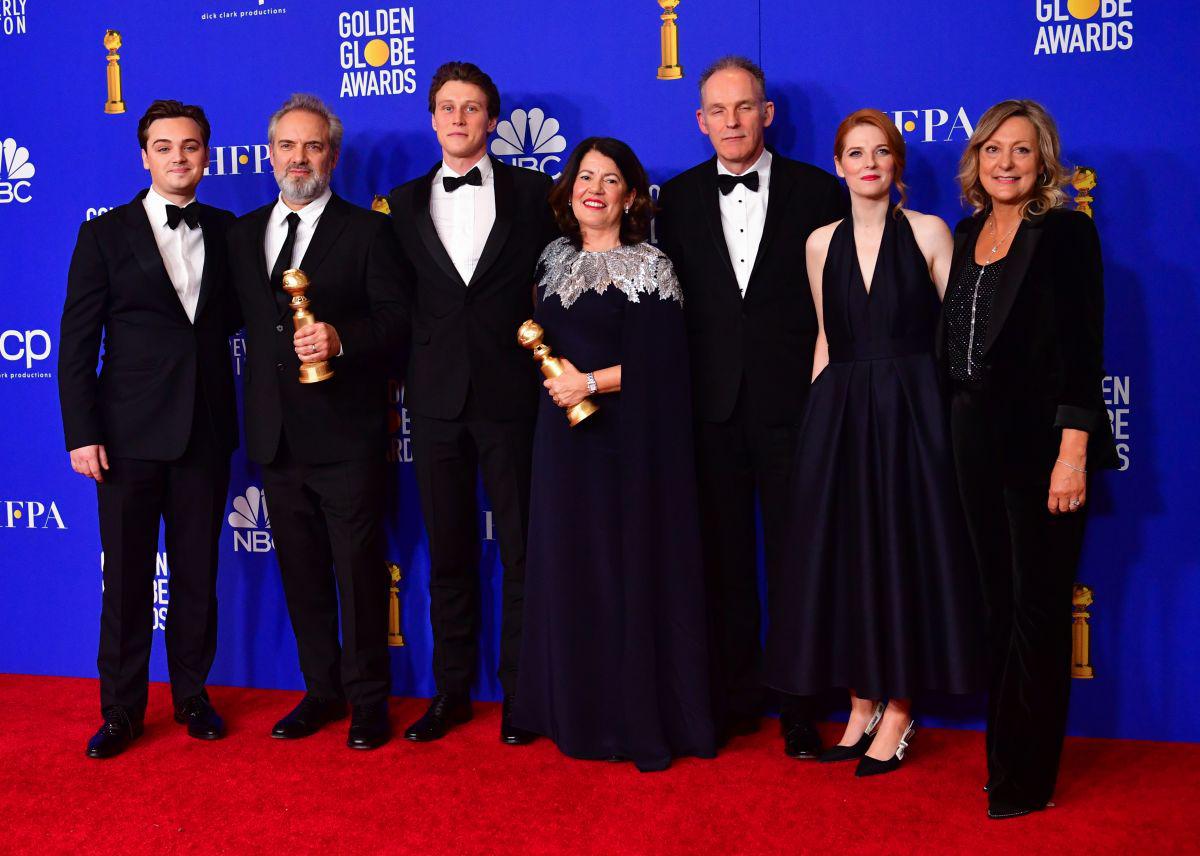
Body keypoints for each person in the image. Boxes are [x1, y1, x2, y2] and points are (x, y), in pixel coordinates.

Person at [763, 109, 981, 776]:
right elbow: (828, 338)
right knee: (850, 559)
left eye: (881, 152)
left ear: (897, 164)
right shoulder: (818, 243)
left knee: (905, 555)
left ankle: (901, 708)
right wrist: (813, 427)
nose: (868, 163)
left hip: (914, 411)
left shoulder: (930, 232)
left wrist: (950, 425)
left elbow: (958, 341)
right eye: (856, 153)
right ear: (838, 165)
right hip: (840, 412)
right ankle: (861, 702)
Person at [656, 56, 845, 756]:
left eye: (744, 107)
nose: (731, 121)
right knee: (724, 564)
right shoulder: (671, 201)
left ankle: (800, 703)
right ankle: (735, 698)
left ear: (767, 114)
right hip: (708, 411)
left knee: (799, 560)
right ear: (700, 120)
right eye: (717, 110)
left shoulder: (820, 192)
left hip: (797, 405)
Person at [512, 137, 716, 772]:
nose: (593, 188)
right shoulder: (550, 260)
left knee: (621, 570)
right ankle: (569, 709)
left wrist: (590, 383)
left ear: (631, 196)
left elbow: (666, 364)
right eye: (584, 177)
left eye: (609, 179)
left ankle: (625, 718)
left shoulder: (650, 267)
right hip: (562, 447)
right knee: (568, 569)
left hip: (628, 447)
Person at [939, 99, 1118, 818]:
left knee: (1038, 611)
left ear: (1044, 160)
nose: (1005, 162)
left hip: (1042, 445)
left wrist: (1072, 453)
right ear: (975, 160)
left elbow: (1083, 352)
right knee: (996, 606)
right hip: (971, 439)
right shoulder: (967, 231)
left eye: (1020, 150)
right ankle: (1002, 758)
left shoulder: (1067, 235)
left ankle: (1027, 778)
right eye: (992, 149)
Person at [227, 93, 409, 750]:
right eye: (287, 146)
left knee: (357, 572)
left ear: (332, 155)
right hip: (275, 439)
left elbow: (396, 323)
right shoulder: (242, 235)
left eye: (313, 146)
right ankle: (321, 691)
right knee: (300, 574)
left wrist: (340, 338)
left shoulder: (369, 231)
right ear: (269, 153)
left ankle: (368, 701)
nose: (299, 158)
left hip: (346, 435)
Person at [58, 100, 240, 758]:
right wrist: (81, 433)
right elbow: (76, 344)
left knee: (198, 575)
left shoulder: (228, 231)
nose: (179, 157)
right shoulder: (104, 236)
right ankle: (122, 710)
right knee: (128, 579)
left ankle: (193, 695)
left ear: (207, 155)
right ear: (144, 156)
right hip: (126, 437)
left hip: (206, 432)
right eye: (164, 147)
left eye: (190, 146)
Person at [386, 61, 557, 745]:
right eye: (448, 107)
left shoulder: (538, 194)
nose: (459, 119)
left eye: (473, 108)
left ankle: (522, 695)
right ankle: (451, 692)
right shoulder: (397, 204)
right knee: (449, 553)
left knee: (522, 553)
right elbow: (392, 306)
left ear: (492, 120)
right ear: (432, 118)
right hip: (432, 404)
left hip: (514, 397)